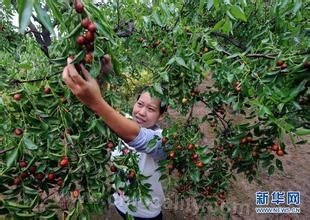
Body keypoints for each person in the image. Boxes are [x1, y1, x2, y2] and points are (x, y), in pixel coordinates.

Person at [62, 55, 167, 219]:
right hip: (121, 204)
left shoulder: (161, 140)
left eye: (151, 109)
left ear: (160, 116)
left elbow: (138, 137)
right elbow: (108, 109)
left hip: (147, 213)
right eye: (139, 104)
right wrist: (104, 75)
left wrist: (96, 103)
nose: (141, 112)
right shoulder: (123, 120)